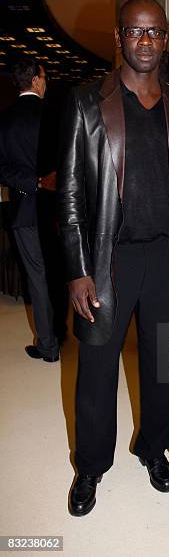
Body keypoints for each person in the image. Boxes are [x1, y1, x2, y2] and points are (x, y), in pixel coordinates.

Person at [58, 0, 169, 516]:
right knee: (97, 369)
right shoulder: (88, 105)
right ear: (119, 37)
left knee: (161, 367)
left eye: (154, 33)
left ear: (165, 40)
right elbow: (67, 196)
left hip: (165, 260)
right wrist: (78, 270)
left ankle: (153, 450)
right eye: (136, 31)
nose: (146, 41)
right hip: (108, 260)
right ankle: (90, 466)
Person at [0, 58, 60, 362]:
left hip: (25, 210)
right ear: (35, 80)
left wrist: (32, 182)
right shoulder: (56, 116)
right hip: (59, 211)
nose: (46, 82)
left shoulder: (5, 120)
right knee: (62, 273)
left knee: (37, 278)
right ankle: (64, 335)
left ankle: (49, 345)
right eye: (45, 76)